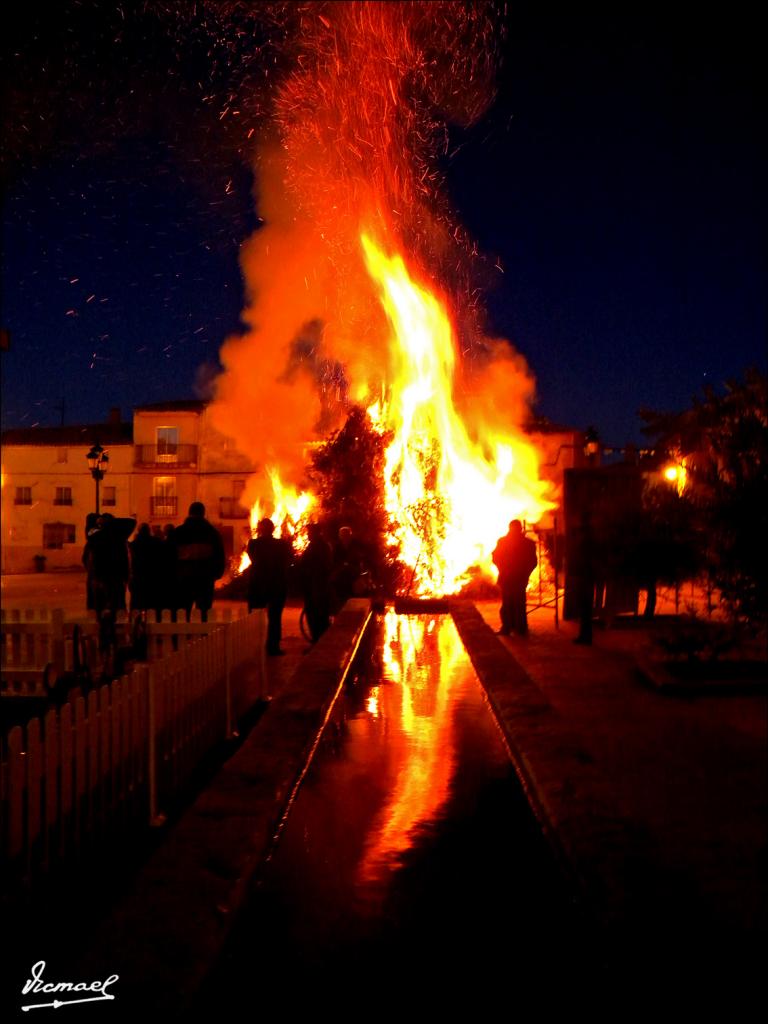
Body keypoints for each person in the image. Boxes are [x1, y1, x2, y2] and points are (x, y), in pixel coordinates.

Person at [170, 502, 226, 623]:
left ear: (189, 513)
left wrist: (174, 576)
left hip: (183, 580)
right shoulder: (212, 533)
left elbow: (169, 557)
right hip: (205, 580)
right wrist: (216, 574)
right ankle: (203, 638)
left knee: (181, 613)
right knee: (204, 614)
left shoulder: (178, 533)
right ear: (203, 513)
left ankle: (180, 639)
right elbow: (219, 556)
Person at [247, 517, 292, 655]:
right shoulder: (282, 544)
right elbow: (288, 560)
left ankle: (254, 646)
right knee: (275, 618)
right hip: (277, 585)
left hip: (258, 585)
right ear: (273, 529)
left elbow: (253, 558)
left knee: (255, 617)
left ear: (260, 529)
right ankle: (273, 647)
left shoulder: (253, 544)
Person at [492, 519, 538, 637]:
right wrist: (525, 574)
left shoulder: (503, 541)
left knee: (510, 603)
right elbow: (533, 562)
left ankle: (509, 627)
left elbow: (495, 558)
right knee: (517, 603)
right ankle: (519, 628)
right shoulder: (528, 543)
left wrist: (503, 569)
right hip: (517, 578)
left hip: (509, 577)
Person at [299, 523, 333, 643]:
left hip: (317, 587)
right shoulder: (319, 545)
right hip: (315, 586)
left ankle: (318, 642)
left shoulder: (319, 546)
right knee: (318, 616)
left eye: (309, 533)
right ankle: (319, 640)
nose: (308, 535)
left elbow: (319, 566)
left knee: (317, 616)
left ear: (315, 533)